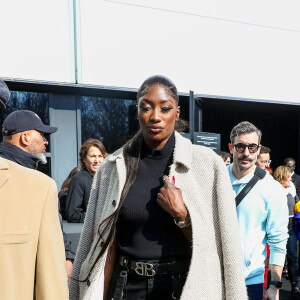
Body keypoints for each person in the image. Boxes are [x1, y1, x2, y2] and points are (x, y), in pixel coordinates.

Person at [69, 75, 247, 300]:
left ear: (177, 113)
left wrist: (183, 216)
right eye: (146, 108)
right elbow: (100, 244)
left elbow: (223, 246)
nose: (155, 117)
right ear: (137, 112)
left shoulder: (207, 165)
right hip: (125, 287)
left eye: (165, 108)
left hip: (184, 287)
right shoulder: (112, 167)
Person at [0, 83, 68, 299]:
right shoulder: (40, 185)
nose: (46, 141)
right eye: (42, 135)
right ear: (25, 138)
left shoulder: (38, 183)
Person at [227, 121, 288, 300]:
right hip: (214, 277)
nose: (246, 153)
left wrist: (275, 285)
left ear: (258, 149)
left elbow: (278, 240)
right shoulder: (215, 179)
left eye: (252, 147)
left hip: (249, 281)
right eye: (240, 146)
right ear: (231, 147)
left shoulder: (271, 189)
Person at [66, 138, 107, 223]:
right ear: (84, 159)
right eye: (92, 156)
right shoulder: (78, 179)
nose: (97, 160)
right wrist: (102, 217)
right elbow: (73, 215)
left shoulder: (106, 179)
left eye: (100, 156)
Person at [273, 166, 300, 296]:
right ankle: (273, 285)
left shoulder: (292, 188)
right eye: (288, 177)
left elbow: (297, 203)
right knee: (276, 257)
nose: (291, 179)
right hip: (277, 225)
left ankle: (295, 285)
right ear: (282, 178)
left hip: (290, 226)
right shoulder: (274, 190)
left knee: (293, 257)